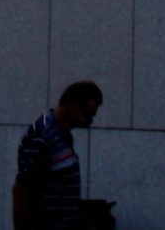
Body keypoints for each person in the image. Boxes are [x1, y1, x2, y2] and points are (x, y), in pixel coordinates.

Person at [13, 80, 108, 230]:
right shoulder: (43, 136)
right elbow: (22, 189)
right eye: (86, 113)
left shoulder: (62, 136)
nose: (89, 121)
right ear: (71, 106)